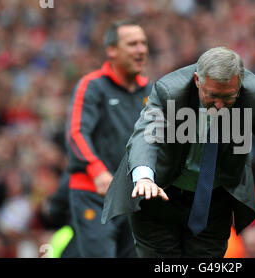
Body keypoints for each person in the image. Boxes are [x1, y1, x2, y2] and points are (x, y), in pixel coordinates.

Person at [102, 47, 255, 258]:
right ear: (197, 80)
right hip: (159, 194)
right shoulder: (170, 90)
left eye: (228, 97)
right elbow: (147, 135)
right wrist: (144, 177)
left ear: (240, 84)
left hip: (213, 203)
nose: (220, 105)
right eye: (212, 96)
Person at [65, 19, 151, 257]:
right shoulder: (92, 86)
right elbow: (76, 133)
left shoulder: (152, 93)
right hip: (94, 194)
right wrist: (96, 169)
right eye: (132, 44)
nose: (141, 49)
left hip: (135, 199)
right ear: (111, 50)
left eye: (143, 43)